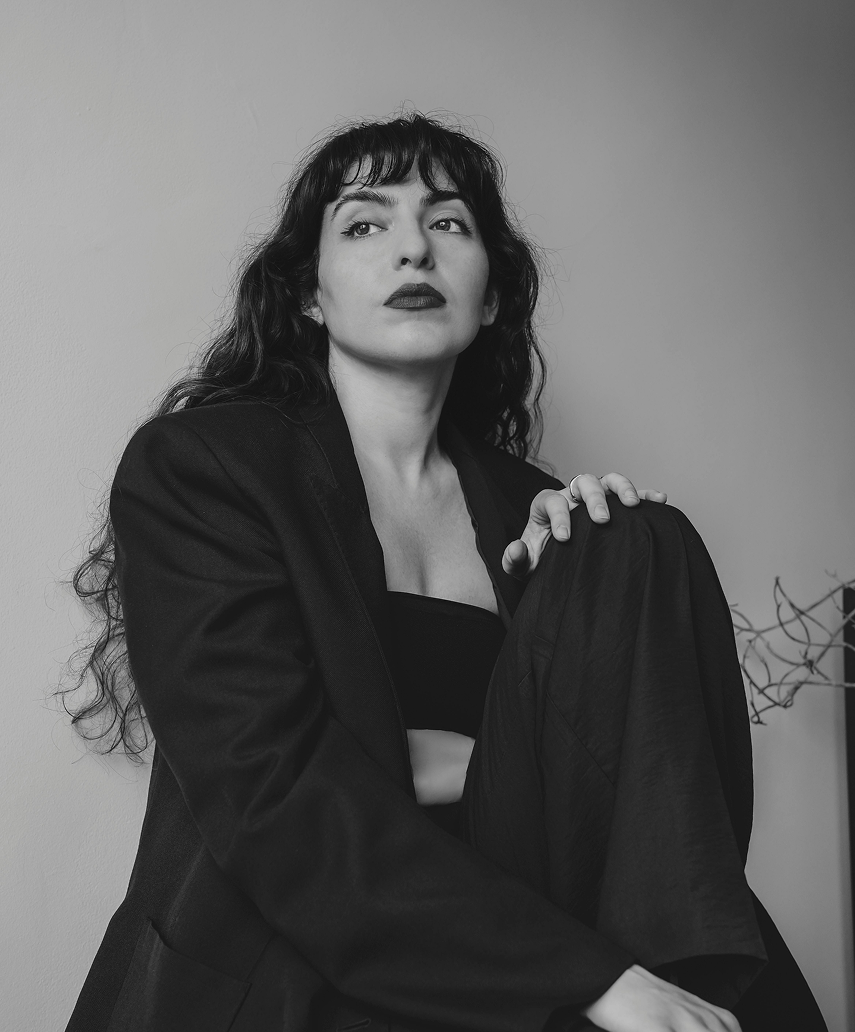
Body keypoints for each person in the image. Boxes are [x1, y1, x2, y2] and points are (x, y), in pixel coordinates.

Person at [61, 112, 827, 1032]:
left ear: (491, 297)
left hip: (518, 916)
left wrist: (578, 573)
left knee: (636, 535)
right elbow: (277, 799)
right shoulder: (205, 467)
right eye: (365, 223)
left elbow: (610, 793)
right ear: (309, 294)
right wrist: (596, 980)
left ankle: (679, 990)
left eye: (449, 223)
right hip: (288, 957)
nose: (413, 248)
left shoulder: (533, 512)